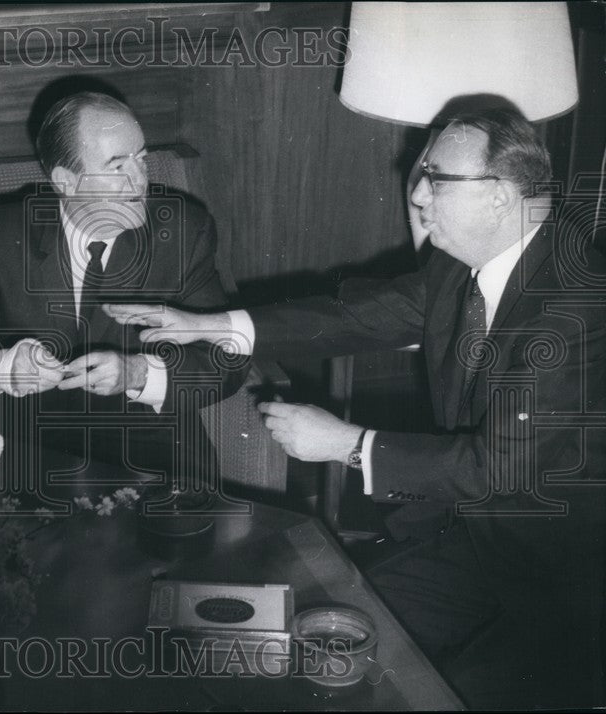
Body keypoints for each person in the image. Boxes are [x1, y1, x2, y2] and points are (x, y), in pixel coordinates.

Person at [104, 107, 606, 708]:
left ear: (499, 196)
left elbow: (494, 468)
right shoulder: (464, 264)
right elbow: (356, 314)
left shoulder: (576, 305)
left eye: (436, 178)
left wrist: (345, 443)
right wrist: (208, 325)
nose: (417, 193)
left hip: (560, 576)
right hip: (470, 537)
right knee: (334, 634)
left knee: (435, 692)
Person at [0, 91, 247, 483]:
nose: (140, 181)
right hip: (28, 456)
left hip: (152, 456)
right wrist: (5, 369)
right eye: (117, 166)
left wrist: (139, 373)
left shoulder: (181, 232)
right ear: (66, 181)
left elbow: (227, 357)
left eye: (141, 159)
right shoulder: (4, 233)